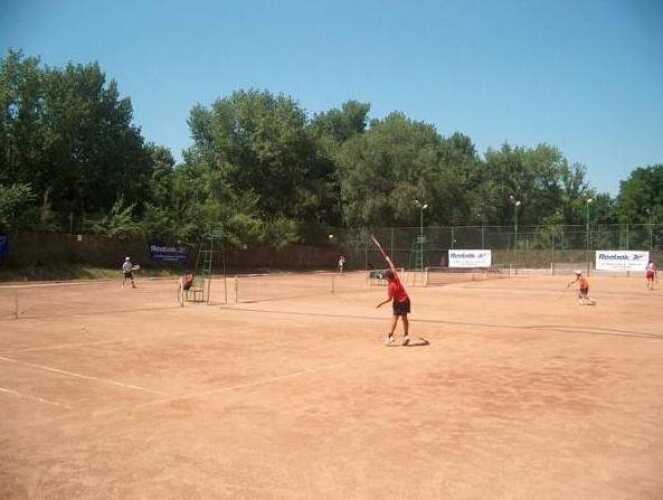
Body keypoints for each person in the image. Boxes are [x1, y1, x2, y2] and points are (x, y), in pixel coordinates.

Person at [376, 255, 411, 345]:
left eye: (386, 277)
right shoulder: (396, 277)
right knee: (404, 318)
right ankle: (406, 335)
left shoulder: (391, 286)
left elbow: (389, 299)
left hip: (398, 302)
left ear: (388, 278)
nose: (385, 278)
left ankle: (390, 337)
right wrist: (388, 260)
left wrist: (380, 304)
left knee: (395, 318)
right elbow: (392, 267)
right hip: (406, 299)